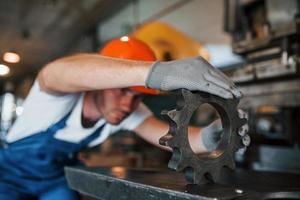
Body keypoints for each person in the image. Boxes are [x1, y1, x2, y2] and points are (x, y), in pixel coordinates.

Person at [0, 36, 242, 200]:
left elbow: (171, 137)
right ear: (100, 83)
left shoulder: (125, 111)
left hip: (54, 179)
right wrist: (154, 73)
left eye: (137, 96)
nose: (128, 104)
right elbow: (52, 73)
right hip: (8, 175)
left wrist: (212, 137)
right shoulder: (56, 98)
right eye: (123, 90)